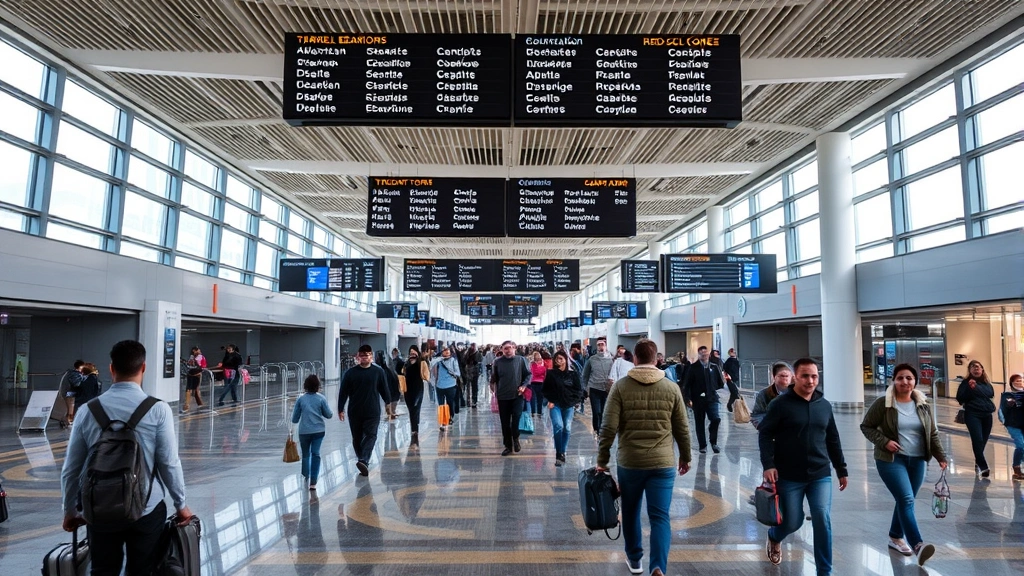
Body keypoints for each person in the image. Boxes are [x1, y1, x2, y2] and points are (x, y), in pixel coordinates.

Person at [60, 340, 192, 575]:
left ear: (111, 369)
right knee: (143, 569)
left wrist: (70, 510)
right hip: (146, 508)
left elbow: (71, 469)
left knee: (102, 569)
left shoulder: (87, 411)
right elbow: (169, 463)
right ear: (143, 368)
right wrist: (180, 504)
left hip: (99, 508)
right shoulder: (158, 410)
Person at [596, 339, 691, 576]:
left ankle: (635, 560)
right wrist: (685, 457)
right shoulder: (671, 388)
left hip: (631, 463)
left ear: (634, 359)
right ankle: (658, 566)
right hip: (663, 463)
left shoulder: (621, 387)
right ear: (656, 359)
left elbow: (608, 428)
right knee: (660, 516)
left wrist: (602, 461)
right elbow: (682, 427)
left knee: (630, 512)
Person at [759, 358, 848, 576]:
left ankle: (824, 572)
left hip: (820, 474)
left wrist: (841, 469)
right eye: (805, 376)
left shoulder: (824, 405)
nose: (810, 380)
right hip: (789, 475)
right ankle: (774, 535)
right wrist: (768, 464)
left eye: (814, 376)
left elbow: (833, 439)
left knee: (822, 518)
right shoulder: (780, 404)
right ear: (795, 377)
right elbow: (765, 433)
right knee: (793, 521)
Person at [859, 363, 947, 565]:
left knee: (905, 500)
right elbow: (866, 426)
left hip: (918, 461)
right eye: (900, 378)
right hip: (890, 460)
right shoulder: (884, 404)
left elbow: (932, 433)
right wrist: (884, 441)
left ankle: (895, 536)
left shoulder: (923, 405)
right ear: (894, 381)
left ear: (914, 381)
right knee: (906, 499)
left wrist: (941, 456)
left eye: (908, 378)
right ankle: (918, 545)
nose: (904, 382)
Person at [337, 345, 392, 476]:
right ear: (358, 357)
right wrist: (341, 408)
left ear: (371, 356)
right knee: (357, 438)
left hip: (372, 411)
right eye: (362, 355)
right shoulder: (350, 373)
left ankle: (364, 460)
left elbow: (384, 388)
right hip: (355, 412)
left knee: (371, 435)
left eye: (367, 355)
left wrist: (388, 404)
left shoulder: (378, 372)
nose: (365, 357)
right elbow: (343, 392)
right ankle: (362, 459)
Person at [542, 350, 585, 466]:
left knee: (567, 427)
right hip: (555, 404)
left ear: (566, 360)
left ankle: (563, 451)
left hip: (568, 404)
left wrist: (576, 401)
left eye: (560, 359)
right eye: (556, 359)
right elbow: (545, 389)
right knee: (558, 425)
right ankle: (559, 453)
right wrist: (550, 400)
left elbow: (579, 390)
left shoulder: (573, 374)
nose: (558, 361)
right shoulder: (551, 374)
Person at [955, 360, 997, 478]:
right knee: (977, 439)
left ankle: (978, 460)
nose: (976, 369)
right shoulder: (965, 383)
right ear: (970, 370)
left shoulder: (986, 383)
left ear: (982, 369)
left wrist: (976, 387)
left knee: (983, 440)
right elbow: (960, 398)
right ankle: (983, 466)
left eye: (978, 367)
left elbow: (990, 393)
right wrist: (970, 388)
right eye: (973, 367)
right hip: (972, 414)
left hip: (986, 414)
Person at [291, 374, 333, 490]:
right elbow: (329, 415)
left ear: (305, 386)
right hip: (319, 431)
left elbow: (294, 418)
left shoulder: (301, 399)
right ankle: (314, 481)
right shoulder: (321, 398)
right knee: (316, 453)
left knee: (305, 454)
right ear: (318, 386)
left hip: (304, 432)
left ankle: (306, 474)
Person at [682, 346, 727, 454]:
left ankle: (713, 442)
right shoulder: (693, 368)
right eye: (701, 353)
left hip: (712, 398)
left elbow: (720, 383)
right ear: (698, 355)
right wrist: (687, 398)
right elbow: (686, 385)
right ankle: (703, 445)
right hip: (698, 400)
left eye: (705, 353)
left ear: (709, 354)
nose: (704, 355)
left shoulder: (714, 367)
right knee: (699, 423)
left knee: (716, 419)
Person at [490, 340, 531, 456]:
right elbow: (494, 377)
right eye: (505, 349)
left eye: (510, 348)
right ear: (502, 350)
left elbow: (528, 375)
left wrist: (523, 386)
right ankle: (508, 445)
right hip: (503, 396)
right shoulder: (497, 362)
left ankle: (516, 438)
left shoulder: (521, 360)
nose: (508, 351)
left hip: (517, 395)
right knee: (505, 422)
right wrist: (492, 388)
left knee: (516, 420)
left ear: (515, 348)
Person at [582, 338, 614, 440]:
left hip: (606, 389)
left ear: (606, 346)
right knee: (596, 411)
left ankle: (603, 430)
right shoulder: (592, 359)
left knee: (604, 411)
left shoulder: (612, 360)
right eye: (599, 345)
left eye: (602, 345)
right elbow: (585, 375)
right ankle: (597, 430)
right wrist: (585, 388)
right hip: (594, 388)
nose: (601, 347)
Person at [399, 345, 431, 447]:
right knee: (411, 409)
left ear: (417, 353)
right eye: (411, 352)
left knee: (415, 408)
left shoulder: (421, 363)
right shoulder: (406, 363)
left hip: (418, 389)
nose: (412, 354)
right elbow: (402, 374)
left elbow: (426, 375)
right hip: (408, 390)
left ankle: (414, 430)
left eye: (414, 352)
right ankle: (415, 427)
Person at [750, 362, 793, 429]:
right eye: (782, 376)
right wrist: (765, 428)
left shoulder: (799, 393)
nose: (785, 379)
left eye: (787, 376)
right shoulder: (764, 394)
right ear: (774, 377)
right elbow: (757, 415)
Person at [998, 373, 1024, 480]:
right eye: (1017, 381)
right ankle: (1016, 468)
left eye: (1021, 380)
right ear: (1011, 383)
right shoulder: (1007, 395)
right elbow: (1005, 406)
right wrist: (1010, 403)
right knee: (1021, 445)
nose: (1019, 382)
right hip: (1013, 424)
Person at [431, 346, 461, 429]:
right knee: (440, 404)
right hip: (439, 386)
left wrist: (452, 373)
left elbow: (458, 373)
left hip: (451, 385)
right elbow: (432, 370)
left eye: (448, 350)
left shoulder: (453, 360)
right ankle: (442, 421)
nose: (447, 351)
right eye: (444, 350)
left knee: (449, 402)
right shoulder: (437, 361)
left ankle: (449, 417)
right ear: (441, 352)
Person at [375, 351, 400, 420]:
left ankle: (391, 424)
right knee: (391, 412)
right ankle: (392, 426)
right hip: (394, 394)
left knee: (390, 413)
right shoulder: (388, 370)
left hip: (391, 395)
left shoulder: (383, 371)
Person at [182, 346, 206, 413]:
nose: (199, 351)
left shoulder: (200, 357)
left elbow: (202, 366)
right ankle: (187, 404)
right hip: (191, 374)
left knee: (195, 390)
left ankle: (199, 403)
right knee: (189, 389)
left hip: (197, 374)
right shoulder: (192, 357)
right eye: (197, 350)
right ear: (194, 351)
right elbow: (189, 365)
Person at [63, 360, 86, 424]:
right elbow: (77, 384)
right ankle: (69, 422)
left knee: (70, 409)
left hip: (68, 393)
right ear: (80, 367)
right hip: (70, 393)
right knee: (71, 409)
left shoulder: (71, 373)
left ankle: (67, 422)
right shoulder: (74, 374)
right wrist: (84, 379)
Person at [529, 351, 547, 416]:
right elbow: (545, 373)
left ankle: (533, 412)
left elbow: (531, 372)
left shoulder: (532, 364)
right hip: (541, 382)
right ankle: (539, 412)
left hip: (533, 382)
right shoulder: (543, 363)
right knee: (540, 398)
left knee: (532, 398)